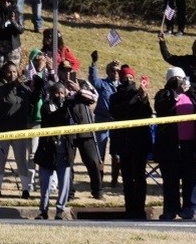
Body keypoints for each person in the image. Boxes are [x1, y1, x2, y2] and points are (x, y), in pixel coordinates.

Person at [153, 66, 196, 220]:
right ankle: (170, 209)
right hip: (170, 144)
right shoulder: (164, 94)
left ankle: (190, 208)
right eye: (177, 79)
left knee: (191, 177)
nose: (181, 82)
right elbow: (161, 108)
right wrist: (176, 94)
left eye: (183, 79)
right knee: (171, 178)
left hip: (191, 144)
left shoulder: (193, 95)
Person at [110, 65, 152, 219]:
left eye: (130, 77)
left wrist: (144, 98)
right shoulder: (115, 97)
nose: (128, 80)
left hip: (139, 141)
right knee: (127, 177)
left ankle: (140, 209)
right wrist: (134, 99)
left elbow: (147, 114)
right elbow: (117, 112)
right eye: (125, 77)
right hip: (122, 141)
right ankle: (130, 209)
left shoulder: (139, 94)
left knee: (139, 176)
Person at [0, 61, 36, 198]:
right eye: (9, 72)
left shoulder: (22, 88)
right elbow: (0, 94)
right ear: (4, 73)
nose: (12, 74)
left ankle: (25, 190)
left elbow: (33, 98)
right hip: (3, 130)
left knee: (21, 160)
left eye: (15, 72)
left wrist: (37, 85)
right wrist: (13, 84)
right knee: (0, 160)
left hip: (19, 130)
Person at [59, 60, 105, 199]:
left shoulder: (82, 82)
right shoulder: (57, 85)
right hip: (68, 131)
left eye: (69, 70)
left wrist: (78, 90)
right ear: (60, 71)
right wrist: (65, 94)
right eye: (64, 70)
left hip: (85, 129)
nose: (67, 73)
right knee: (69, 163)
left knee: (93, 161)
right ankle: (70, 193)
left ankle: (98, 191)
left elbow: (95, 97)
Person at [34, 82, 76, 220]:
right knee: (45, 183)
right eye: (56, 93)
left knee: (64, 183)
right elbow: (53, 119)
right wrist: (67, 105)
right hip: (48, 150)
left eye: (62, 93)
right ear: (52, 94)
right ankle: (43, 210)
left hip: (64, 152)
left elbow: (77, 121)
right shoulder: (47, 107)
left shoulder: (70, 108)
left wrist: (73, 101)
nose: (59, 96)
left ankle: (60, 210)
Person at [88, 52, 121, 186]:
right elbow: (93, 80)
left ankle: (114, 179)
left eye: (117, 71)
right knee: (99, 152)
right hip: (102, 120)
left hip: (116, 122)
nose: (115, 73)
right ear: (108, 72)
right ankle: (99, 179)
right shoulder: (103, 84)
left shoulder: (122, 86)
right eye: (112, 71)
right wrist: (94, 64)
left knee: (116, 153)